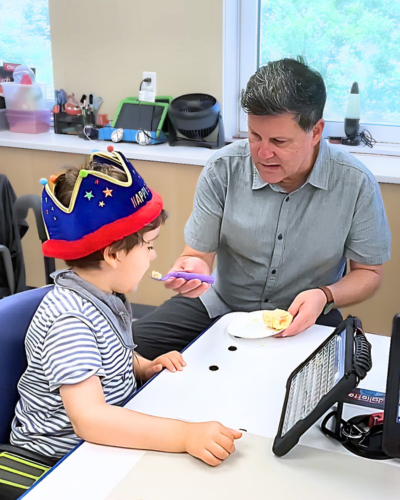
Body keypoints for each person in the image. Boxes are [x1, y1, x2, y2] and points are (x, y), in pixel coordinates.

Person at [133, 58, 391, 360]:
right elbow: (196, 255)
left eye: (279, 141)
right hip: (220, 305)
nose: (263, 153)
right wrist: (194, 267)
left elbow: (369, 274)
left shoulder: (355, 182)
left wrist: (326, 295)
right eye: (255, 136)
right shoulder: (223, 169)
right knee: (124, 355)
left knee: (325, 385)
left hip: (308, 315)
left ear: (316, 131)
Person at [10, 149, 241, 467]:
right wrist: (185, 436)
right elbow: (89, 420)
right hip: (56, 459)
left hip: (100, 440)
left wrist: (143, 366)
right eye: (149, 245)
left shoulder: (104, 294)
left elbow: (108, 354)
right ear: (114, 254)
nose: (153, 255)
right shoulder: (69, 321)